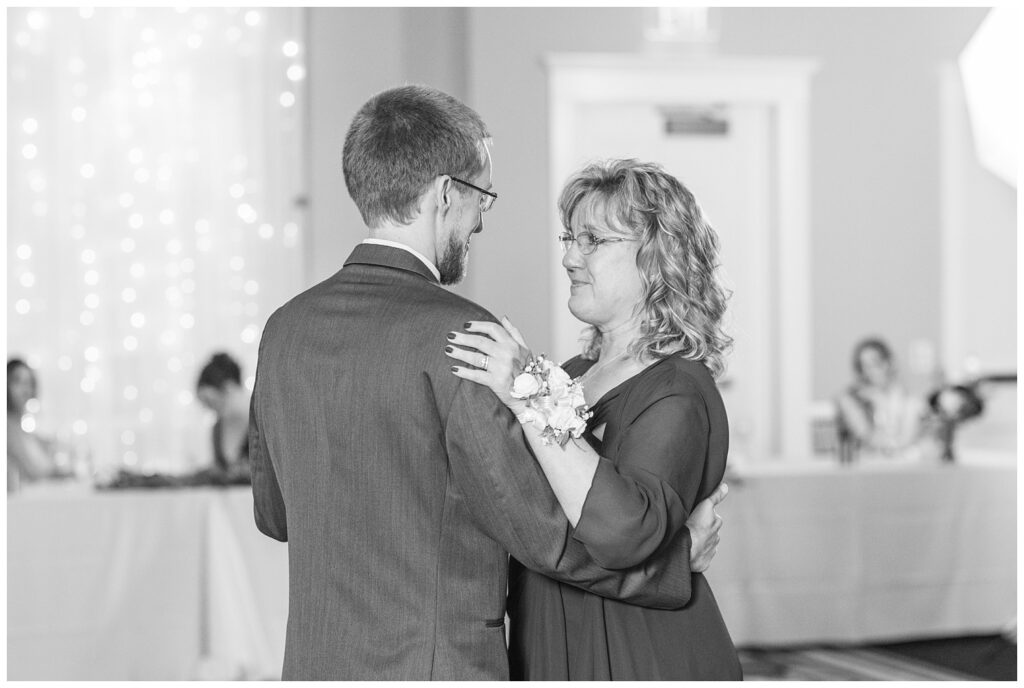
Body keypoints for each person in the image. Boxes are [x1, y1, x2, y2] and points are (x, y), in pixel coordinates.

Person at [249, 85, 728, 680]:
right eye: (481, 196)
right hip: (438, 665)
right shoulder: (465, 337)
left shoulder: (284, 328)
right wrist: (673, 566)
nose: (481, 218)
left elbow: (275, 515)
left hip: (316, 662)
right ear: (447, 193)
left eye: (592, 241)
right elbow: (541, 533)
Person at [446, 159, 742, 679]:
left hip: (639, 652)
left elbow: (621, 532)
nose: (568, 257)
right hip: (548, 640)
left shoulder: (677, 388)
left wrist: (529, 392)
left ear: (657, 258)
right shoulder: (574, 373)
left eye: (593, 241)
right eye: (568, 238)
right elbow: (527, 515)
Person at [835, 337, 928, 455]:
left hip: (902, 462)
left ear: (889, 363)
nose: (870, 371)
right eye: (864, 366)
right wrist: (879, 402)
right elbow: (867, 437)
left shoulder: (906, 399)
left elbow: (908, 438)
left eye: (876, 363)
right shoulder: (850, 398)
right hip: (867, 463)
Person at [7, 358, 66, 490]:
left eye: (28, 382)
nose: (24, 389)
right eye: (17, 381)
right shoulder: (7, 430)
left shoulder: (26, 433)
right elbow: (35, 471)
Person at [196, 352, 251, 479]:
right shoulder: (218, 427)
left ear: (229, 387)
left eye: (210, 401)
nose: (209, 408)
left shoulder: (262, 420)